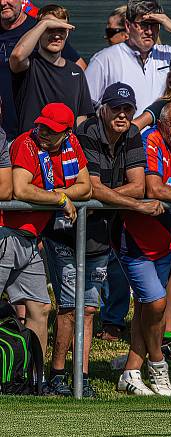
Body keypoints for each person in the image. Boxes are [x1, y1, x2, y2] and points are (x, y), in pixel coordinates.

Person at [49, 83, 163, 396]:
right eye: (116, 108)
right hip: (66, 231)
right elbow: (92, 188)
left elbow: (137, 184)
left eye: (128, 109)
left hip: (99, 234)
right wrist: (134, 204)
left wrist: (110, 195)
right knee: (69, 309)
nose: (123, 115)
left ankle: (80, 378)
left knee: (87, 310)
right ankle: (57, 375)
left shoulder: (132, 135)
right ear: (104, 109)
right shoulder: (86, 132)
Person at [116, 102, 171, 396]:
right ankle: (158, 363)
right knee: (156, 303)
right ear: (163, 125)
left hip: (166, 236)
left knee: (146, 306)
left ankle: (130, 371)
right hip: (136, 234)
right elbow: (153, 188)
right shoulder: (150, 139)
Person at [7, 103, 91, 391]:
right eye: (41, 125)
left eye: (51, 130)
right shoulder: (25, 143)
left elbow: (86, 187)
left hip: (31, 239)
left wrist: (58, 194)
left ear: (67, 133)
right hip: (6, 234)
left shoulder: (72, 144)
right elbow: (21, 188)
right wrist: (58, 200)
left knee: (41, 307)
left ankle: (34, 380)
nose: (43, 132)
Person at [85, 0, 171, 117]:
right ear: (128, 26)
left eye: (155, 24)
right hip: (120, 139)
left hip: (161, 139)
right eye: (144, 25)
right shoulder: (104, 59)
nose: (150, 31)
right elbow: (86, 106)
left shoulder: (169, 54)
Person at [0, 0, 84, 137]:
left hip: (56, 140)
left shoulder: (75, 71)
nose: (3, 3)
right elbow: (17, 57)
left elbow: (81, 113)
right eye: (50, 29)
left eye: (60, 30)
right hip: (21, 136)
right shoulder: (32, 63)